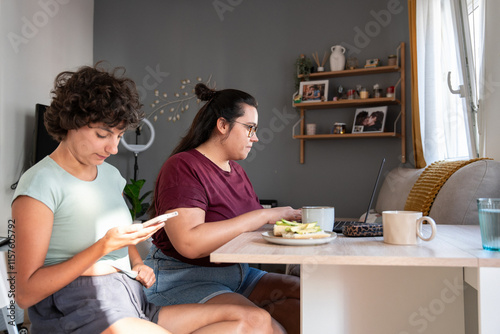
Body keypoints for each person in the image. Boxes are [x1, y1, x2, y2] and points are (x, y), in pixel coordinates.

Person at [11, 64, 274, 334]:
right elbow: (25, 293)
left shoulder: (110, 176)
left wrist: (137, 264)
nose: (113, 148)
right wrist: (102, 247)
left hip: (130, 300)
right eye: (103, 135)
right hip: (77, 307)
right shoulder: (40, 183)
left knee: (256, 320)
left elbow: (122, 241)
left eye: (119, 136)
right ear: (71, 122)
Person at [144, 83, 302, 334]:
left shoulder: (235, 170)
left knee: (307, 298)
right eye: (250, 128)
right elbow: (189, 243)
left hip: (238, 274)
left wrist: (294, 226)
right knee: (265, 325)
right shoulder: (182, 167)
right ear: (222, 125)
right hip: (185, 278)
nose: (256, 137)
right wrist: (263, 215)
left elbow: (248, 227)